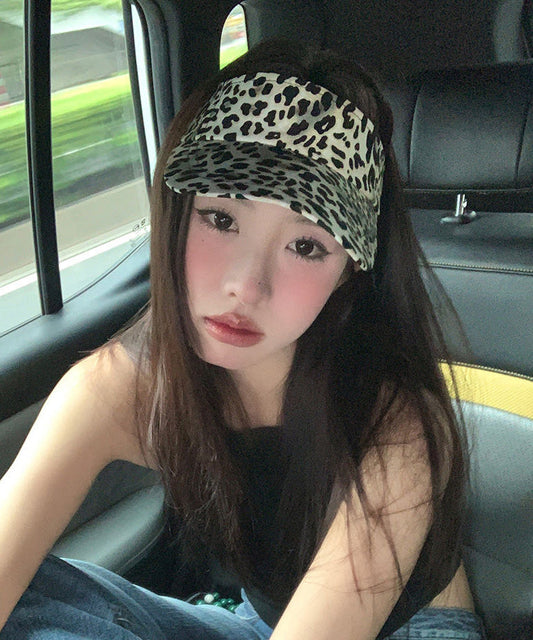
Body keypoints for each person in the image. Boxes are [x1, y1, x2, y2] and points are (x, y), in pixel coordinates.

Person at [0, 39, 486, 639]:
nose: (245, 286)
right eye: (222, 218)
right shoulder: (117, 385)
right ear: (178, 210)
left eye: (305, 245)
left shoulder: (394, 424)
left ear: (349, 272)